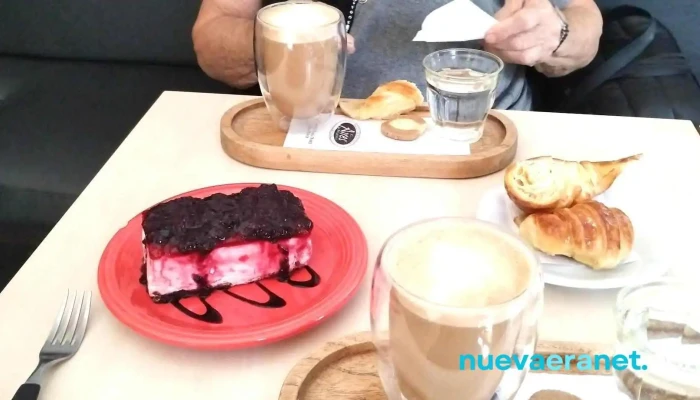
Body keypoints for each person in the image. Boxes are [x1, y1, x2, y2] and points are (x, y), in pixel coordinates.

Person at [192, 0, 603, 111]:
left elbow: (584, 25)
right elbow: (213, 37)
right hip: (315, 131)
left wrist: (555, 33)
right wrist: (285, 40)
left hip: (482, 133)